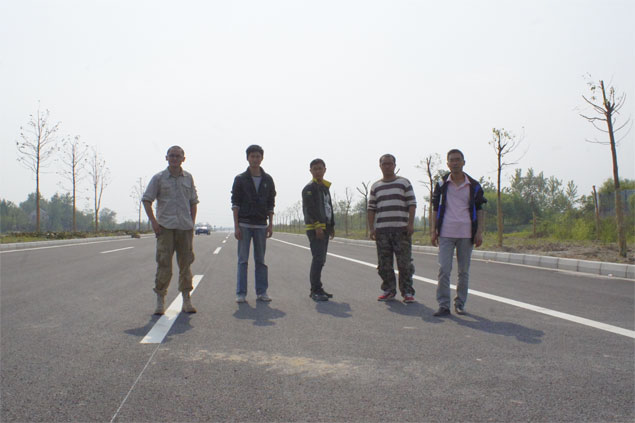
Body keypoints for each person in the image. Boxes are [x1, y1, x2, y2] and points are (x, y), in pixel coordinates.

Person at [142, 145, 199, 315]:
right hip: (165, 228)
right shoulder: (158, 178)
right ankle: (160, 300)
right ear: (166, 158)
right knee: (164, 264)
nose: (174, 158)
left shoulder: (188, 178)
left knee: (186, 264)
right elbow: (147, 200)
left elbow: (193, 202)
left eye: (178, 156)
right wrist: (154, 222)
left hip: (184, 228)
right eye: (171, 155)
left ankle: (186, 300)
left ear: (183, 159)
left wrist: (192, 222)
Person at [430, 149, 486, 316]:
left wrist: (479, 232)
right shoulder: (441, 184)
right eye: (452, 160)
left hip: (466, 233)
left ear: (463, 162)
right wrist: (433, 230)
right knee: (444, 269)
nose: (455, 163)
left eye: (458, 160)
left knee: (463, 271)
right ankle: (443, 305)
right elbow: (434, 208)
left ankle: (460, 304)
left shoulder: (473, 185)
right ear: (447, 163)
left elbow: (480, 209)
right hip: (446, 232)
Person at [368, 154, 417, 303]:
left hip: (401, 230)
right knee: (384, 264)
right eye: (384, 164)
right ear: (380, 166)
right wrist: (372, 228)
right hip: (382, 231)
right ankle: (388, 290)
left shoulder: (403, 183)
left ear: (395, 165)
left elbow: (412, 204)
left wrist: (410, 224)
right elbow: (371, 209)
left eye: (390, 164)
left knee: (405, 264)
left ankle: (407, 292)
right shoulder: (376, 186)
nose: (387, 166)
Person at [231, 144, 276, 303]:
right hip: (244, 224)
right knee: (243, 260)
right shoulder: (240, 179)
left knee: (260, 261)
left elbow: (271, 203)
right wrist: (236, 226)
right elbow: (235, 203)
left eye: (258, 156)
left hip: (261, 225)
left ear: (262, 158)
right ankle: (241, 293)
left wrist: (270, 224)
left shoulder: (268, 179)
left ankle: (262, 292)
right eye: (252, 156)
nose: (255, 159)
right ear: (247, 158)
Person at [302, 158, 335, 302]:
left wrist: (331, 225)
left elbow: (328, 207)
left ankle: (318, 288)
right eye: (315, 169)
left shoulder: (325, 187)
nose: (318, 171)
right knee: (318, 259)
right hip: (315, 228)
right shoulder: (309, 188)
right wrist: (317, 226)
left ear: (325, 170)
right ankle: (314, 290)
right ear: (310, 171)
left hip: (325, 227)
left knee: (321, 259)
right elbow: (309, 209)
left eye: (320, 168)